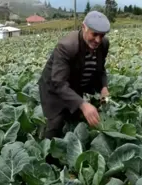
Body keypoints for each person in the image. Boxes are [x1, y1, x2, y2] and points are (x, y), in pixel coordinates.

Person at [37, 11, 111, 140]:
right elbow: (59, 83)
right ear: (83, 27)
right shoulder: (67, 46)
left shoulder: (104, 44)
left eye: (102, 35)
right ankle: (46, 155)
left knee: (76, 117)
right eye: (94, 34)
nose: (98, 40)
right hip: (53, 88)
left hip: (75, 84)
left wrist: (104, 87)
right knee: (56, 122)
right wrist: (83, 104)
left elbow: (100, 70)